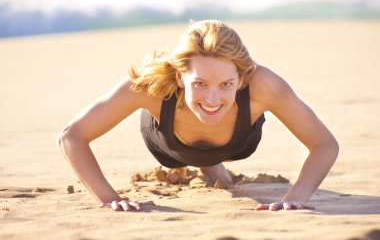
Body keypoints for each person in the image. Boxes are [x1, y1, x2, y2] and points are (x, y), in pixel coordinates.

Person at [56, 20, 339, 212]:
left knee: (212, 146)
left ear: (241, 79)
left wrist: (295, 200)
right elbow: (72, 136)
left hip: (236, 144)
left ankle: (211, 164)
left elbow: (324, 144)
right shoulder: (151, 85)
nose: (213, 99)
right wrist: (110, 200)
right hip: (168, 145)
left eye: (226, 84)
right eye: (200, 83)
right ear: (180, 77)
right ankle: (191, 165)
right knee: (177, 154)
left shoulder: (266, 86)